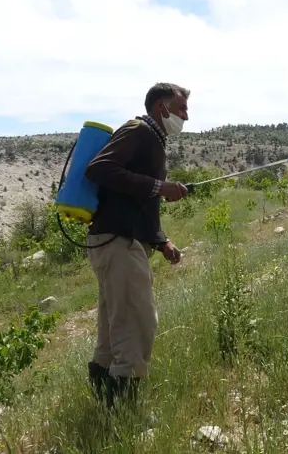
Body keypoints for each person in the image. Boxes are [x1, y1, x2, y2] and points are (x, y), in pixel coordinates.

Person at [84, 82, 191, 409]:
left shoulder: (153, 139)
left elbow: (138, 204)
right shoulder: (139, 130)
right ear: (162, 107)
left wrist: (162, 242)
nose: (186, 116)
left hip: (118, 241)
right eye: (181, 108)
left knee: (113, 329)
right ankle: (122, 414)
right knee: (137, 324)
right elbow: (99, 168)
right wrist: (159, 186)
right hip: (118, 243)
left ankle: (104, 407)